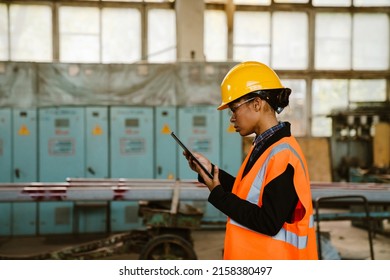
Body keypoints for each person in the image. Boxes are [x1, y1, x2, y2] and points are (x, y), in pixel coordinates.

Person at [184, 61, 318, 260]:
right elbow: (246, 193)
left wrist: (218, 194)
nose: (232, 118)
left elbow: (268, 222)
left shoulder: (283, 155)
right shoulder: (265, 146)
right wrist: (210, 171)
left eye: (234, 108)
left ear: (257, 103)